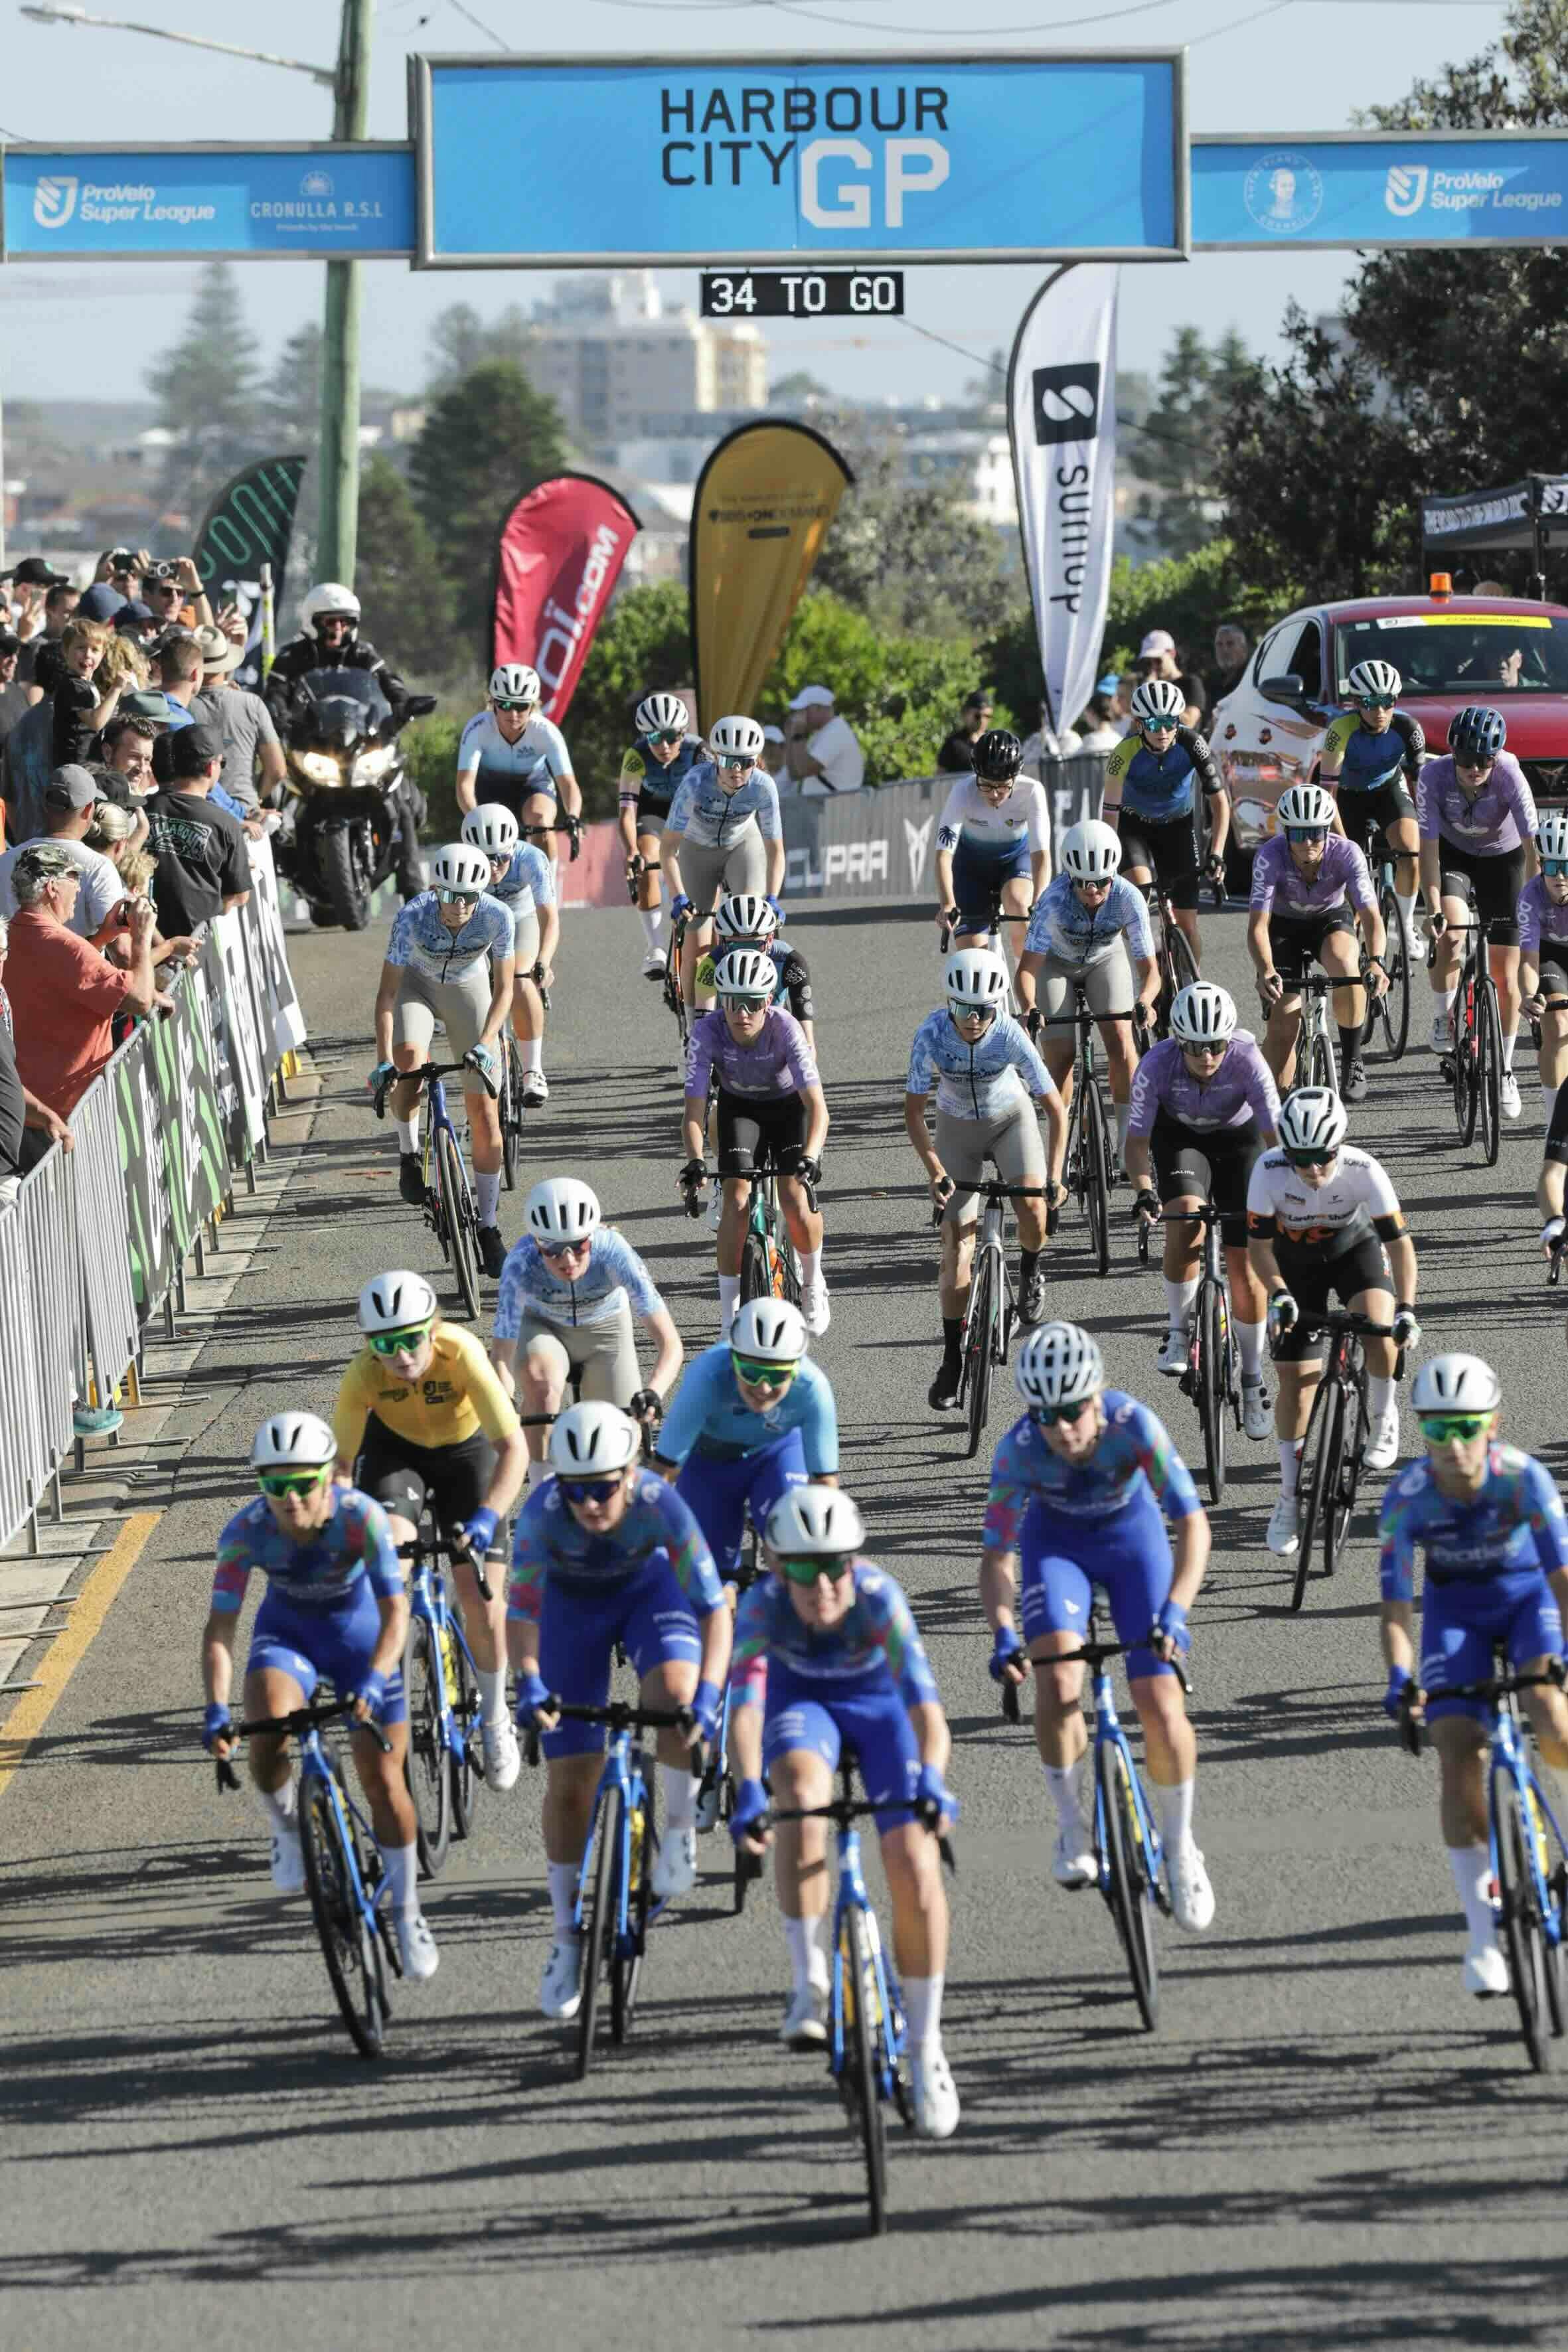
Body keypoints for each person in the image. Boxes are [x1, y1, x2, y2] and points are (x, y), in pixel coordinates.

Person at [728, 1484, 961, 2136]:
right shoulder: (762, 1605)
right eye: (802, 1567)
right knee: (800, 1798)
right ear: (777, 1567)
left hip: (880, 1711)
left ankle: (925, 2046)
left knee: (912, 1859)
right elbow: (745, 1709)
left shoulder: (881, 1599)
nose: (822, 1584)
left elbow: (926, 1713)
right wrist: (748, 1787)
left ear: (852, 1563)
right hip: (803, 1709)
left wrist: (933, 1781)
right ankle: (809, 1982)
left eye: (834, 1566)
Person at [979, 1320, 1216, 1930]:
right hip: (1057, 1548)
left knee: (1160, 1699)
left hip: (1132, 1542)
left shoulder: (1134, 1423)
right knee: (1056, 1683)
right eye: (1046, 1414)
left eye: (1073, 1410)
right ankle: (1071, 1827)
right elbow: (997, 1558)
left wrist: (1177, 1613)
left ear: (1098, 1397)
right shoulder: (1018, 1449)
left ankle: (1181, 1844)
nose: (1062, 1428)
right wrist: (1004, 1632)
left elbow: (1192, 1524)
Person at [509, 1401, 732, 2014]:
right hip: (570, 1612)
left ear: (632, 1473)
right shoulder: (542, 1512)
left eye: (604, 1487)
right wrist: (527, 1681)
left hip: (648, 1597)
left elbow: (715, 1612)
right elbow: (522, 1613)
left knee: (677, 1699)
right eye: (577, 1488)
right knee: (570, 1781)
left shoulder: (662, 1504)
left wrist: (709, 1697)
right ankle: (564, 1939)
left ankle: (682, 1830)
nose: (590, 1504)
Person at [200, 1412, 439, 1982]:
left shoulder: (363, 1519)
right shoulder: (246, 1530)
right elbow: (220, 1631)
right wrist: (214, 1708)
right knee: (265, 1730)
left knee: (383, 1780)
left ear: (329, 1478)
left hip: (364, 1640)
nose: (288, 1498)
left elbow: (395, 1614)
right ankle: (287, 1829)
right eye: (273, 1485)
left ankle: (407, 1914)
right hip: (290, 1635)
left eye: (302, 1483)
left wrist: (376, 1675)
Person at [1378, 1354, 1568, 1997]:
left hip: (1525, 1603)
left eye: (1465, 1427)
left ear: (1493, 1425)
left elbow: (1562, 1585)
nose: (1453, 1445)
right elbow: (1397, 1608)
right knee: (1457, 1749)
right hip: (1454, 1611)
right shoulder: (1406, 1497)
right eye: (1437, 1431)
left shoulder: (1524, 1481)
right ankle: (1484, 1939)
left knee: (1550, 1716)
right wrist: (1400, 1681)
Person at [333, 1269, 528, 1793]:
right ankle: (392, 1698)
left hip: (470, 1454)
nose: (400, 1355)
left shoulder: (461, 1351)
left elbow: (515, 1449)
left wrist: (487, 1518)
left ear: (433, 1328)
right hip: (399, 1455)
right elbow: (341, 1470)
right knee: (388, 1572)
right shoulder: (364, 1375)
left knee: (481, 1599)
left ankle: (493, 1717)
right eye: (385, 1344)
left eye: (411, 1338)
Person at [1249, 1087, 1420, 1553]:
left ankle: (1384, 1415)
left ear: (1339, 1146)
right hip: (1293, 1269)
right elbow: (1259, 1250)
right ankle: (1287, 1498)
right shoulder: (1267, 1171)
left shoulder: (1364, 1170)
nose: (1313, 1170)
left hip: (1353, 1253)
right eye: (1301, 1159)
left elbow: (1400, 1247)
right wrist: (1279, 1293)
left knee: (1380, 1330)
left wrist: (1406, 1308)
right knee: (1296, 1387)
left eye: (1323, 1157)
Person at [904, 947, 1066, 1403]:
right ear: (948, 1003)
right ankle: (952, 1358)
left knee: (1033, 1207)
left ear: (998, 1007)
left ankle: (1031, 1267)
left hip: (1010, 1120)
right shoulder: (932, 1034)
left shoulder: (1011, 1035)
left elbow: (1055, 1108)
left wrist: (1055, 1174)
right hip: (956, 1130)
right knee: (956, 1249)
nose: (973, 1020)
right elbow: (914, 1113)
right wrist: (934, 1168)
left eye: (983, 1011)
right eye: (962, 1009)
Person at [1125, 981, 1277, 1435]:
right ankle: (1177, 1330)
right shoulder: (1156, 1065)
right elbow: (1135, 1143)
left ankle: (1252, 1378)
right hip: (1181, 1140)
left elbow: (1276, 1140)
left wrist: (1282, 1195)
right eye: (1196, 1047)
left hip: (1240, 1143)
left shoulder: (1248, 1058)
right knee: (1186, 1218)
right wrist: (1145, 1190)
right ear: (1178, 1041)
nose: (1207, 1057)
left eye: (1216, 1046)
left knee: (1245, 1267)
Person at [370, 841, 514, 1277]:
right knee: (411, 1056)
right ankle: (410, 1151)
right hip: (417, 984)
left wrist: (487, 1042)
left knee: (485, 1113)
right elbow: (388, 994)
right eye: (451, 897)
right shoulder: (413, 915)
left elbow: (504, 989)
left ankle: (488, 1227)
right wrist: (383, 1060)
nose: (459, 908)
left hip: (469, 989)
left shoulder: (497, 916)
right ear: (436, 890)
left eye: (469, 897)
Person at [491, 1175, 684, 1488]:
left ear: (592, 1238)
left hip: (605, 1329)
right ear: (537, 1243)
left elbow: (670, 1343)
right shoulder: (520, 1264)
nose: (567, 1260)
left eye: (579, 1246)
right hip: (544, 1327)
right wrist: (505, 1403)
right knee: (541, 1391)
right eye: (552, 1249)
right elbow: (501, 1354)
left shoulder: (614, 1252)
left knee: (622, 1440)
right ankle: (545, 1491)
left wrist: (653, 1394)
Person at [682, 946, 830, 1336]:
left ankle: (814, 1282)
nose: (742, 1013)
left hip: (787, 1108)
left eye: (752, 1003)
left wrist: (811, 1157)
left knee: (794, 1195)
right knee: (734, 1198)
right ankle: (729, 1311)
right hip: (740, 1108)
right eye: (732, 1002)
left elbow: (818, 1109)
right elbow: (694, 1112)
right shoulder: (706, 1032)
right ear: (722, 1001)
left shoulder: (786, 1028)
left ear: (768, 1000)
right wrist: (696, 1159)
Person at [654, 1296, 838, 1583]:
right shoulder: (708, 1374)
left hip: (776, 1456)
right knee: (705, 1577)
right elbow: (663, 1472)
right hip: (709, 1461)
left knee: (797, 1550)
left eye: (777, 1376)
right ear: (733, 1360)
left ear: (796, 1368)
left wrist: (814, 1558)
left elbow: (825, 1486)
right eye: (751, 1373)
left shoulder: (813, 1388)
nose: (763, 1387)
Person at [1016, 818, 1158, 1180]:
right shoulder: (1052, 900)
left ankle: (1128, 1143)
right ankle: (1060, 1148)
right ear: (1070, 877)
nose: (1093, 891)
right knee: (1061, 1056)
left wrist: (1146, 1000)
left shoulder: (1129, 897)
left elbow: (1150, 970)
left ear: (1114, 875)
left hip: (1103, 960)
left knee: (1122, 1042)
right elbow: (1028, 970)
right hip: (1056, 966)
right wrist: (1030, 1008)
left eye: (1101, 883)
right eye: (1083, 883)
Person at [266, 583, 424, 897]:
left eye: (345, 622)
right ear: (313, 622)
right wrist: (277, 714)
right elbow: (274, 694)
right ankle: (266, 877)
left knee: (398, 800)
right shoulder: (291, 657)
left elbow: (389, 683)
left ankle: (414, 888)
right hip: (311, 744)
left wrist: (403, 704)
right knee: (268, 794)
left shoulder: (362, 653)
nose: (338, 628)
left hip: (359, 742)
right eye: (330, 621)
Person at [1420, 706, 1537, 1121]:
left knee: (1506, 975)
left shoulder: (1509, 774)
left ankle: (1505, 1069)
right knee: (1451, 933)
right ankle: (1441, 1016)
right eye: (1466, 760)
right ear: (1452, 755)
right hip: (1453, 858)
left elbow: (1531, 851)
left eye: (1484, 760)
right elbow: (1429, 856)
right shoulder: (1432, 778)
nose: (1474, 769)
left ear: (1497, 756)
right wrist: (1433, 908)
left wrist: (1533, 906)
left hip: (1502, 860)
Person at [1247, 781, 1387, 1103]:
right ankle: (1279, 1112)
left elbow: (1371, 917)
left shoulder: (1347, 853)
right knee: (1284, 1027)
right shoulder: (1270, 857)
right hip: (1283, 926)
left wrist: (1377, 962)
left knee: (1345, 962)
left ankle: (1352, 1059)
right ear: (1286, 833)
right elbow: (1258, 926)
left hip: (1329, 918)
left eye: (1316, 833)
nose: (1308, 842)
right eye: (1298, 834)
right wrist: (1266, 969)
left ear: (1328, 830)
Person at [6, 845, 167, 1119]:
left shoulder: (12, 932)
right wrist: (142, 935)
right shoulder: (65, 946)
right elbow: (140, 1000)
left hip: (26, 1104)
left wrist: (103, 938)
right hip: (68, 1112)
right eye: (74, 879)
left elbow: (59, 978)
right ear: (52, 888)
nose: (79, 890)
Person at [662, 718, 785, 1017]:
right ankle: (694, 1028)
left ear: (755, 761)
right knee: (698, 940)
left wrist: (772, 898)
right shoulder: (695, 782)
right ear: (716, 757)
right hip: (696, 847)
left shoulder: (764, 787)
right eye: (729, 761)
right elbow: (667, 849)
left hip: (742, 845)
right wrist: (678, 897)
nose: (737, 770)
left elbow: (775, 850)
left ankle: (755, 1012)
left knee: (750, 927)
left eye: (746, 762)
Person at [1102, 677, 1228, 965]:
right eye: (1154, 724)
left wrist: (1217, 853)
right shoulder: (1123, 753)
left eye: (1170, 723)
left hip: (1178, 828)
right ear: (1139, 723)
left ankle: (1191, 989)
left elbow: (1220, 805)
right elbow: (1110, 815)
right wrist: (1109, 870)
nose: (1164, 732)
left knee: (1188, 924)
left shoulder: (1193, 743)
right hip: (1134, 828)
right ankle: (1152, 970)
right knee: (1139, 903)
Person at [1318, 658, 1423, 950]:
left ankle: (1406, 923)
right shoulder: (1341, 730)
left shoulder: (1408, 727)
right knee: (1351, 871)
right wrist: (1340, 839)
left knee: (1411, 853)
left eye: (1387, 702)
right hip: (1347, 797)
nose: (1379, 711)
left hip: (1388, 788)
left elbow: (1423, 784)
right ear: (1356, 702)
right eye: (1370, 702)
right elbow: (1329, 793)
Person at [460, 803, 559, 1107]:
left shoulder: (531, 858)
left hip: (521, 917)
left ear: (512, 848)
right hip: (480, 921)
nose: (493, 867)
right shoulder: (460, 861)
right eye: (485, 859)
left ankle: (533, 1070)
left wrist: (543, 959)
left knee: (519, 979)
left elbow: (549, 918)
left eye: (502, 858)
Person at [933, 728, 1052, 966]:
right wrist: (947, 903)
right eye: (986, 785)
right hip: (971, 869)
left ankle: (1028, 986)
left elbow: (1041, 855)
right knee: (974, 965)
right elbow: (944, 855)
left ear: (1015, 778)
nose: (995, 793)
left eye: (1003, 786)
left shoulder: (1032, 791)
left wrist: (1040, 900)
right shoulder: (962, 792)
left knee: (1020, 904)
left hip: (1015, 862)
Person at [617, 690, 708, 979]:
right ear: (646, 737)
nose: (665, 745)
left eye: (672, 736)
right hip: (653, 812)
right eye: (655, 738)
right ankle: (655, 947)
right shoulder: (636, 755)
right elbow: (628, 812)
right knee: (646, 860)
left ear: (684, 732)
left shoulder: (699, 751)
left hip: (692, 813)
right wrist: (631, 851)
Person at [455, 663, 581, 853]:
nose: (513, 714)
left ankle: (548, 881)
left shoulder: (546, 731)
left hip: (532, 784)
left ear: (532, 707)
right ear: (493, 703)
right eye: (505, 705)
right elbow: (464, 785)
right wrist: (476, 819)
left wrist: (573, 816)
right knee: (490, 838)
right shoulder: (477, 729)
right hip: (491, 788)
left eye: (521, 706)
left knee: (542, 824)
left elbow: (568, 783)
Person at [143, 725, 252, 939]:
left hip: (144, 938)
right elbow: (239, 897)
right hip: (197, 945)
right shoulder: (226, 823)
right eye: (222, 763)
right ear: (212, 768)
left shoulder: (139, 810)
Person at [0, 911, 74, 1193]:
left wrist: (45, 1114)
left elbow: (7, 1079)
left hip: (9, 1166)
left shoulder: (1, 999)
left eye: (0, 953)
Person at [0, 766, 121, 937]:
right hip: (77, 963)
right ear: (89, 810)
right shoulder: (99, 867)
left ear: (45, 806)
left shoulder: (4, 861)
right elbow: (123, 952)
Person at [694, 893, 815, 1057]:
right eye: (735, 945)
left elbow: (807, 1042)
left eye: (755, 944)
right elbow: (703, 1029)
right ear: (721, 941)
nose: (746, 953)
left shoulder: (791, 962)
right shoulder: (710, 965)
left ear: (770, 939)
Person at [196, 625, 285, 814]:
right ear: (226, 662)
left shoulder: (180, 706)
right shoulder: (252, 704)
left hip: (197, 815)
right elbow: (277, 770)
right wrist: (255, 798)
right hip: (246, 815)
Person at [1518, 808, 1568, 1140]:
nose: (1560, 876)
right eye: (1552, 866)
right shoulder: (1530, 896)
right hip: (1549, 958)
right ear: (1540, 865)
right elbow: (1528, 961)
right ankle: (1555, 1121)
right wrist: (1530, 995)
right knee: (1559, 1021)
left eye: (1566, 867)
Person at [784, 684, 864, 797]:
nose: (799, 716)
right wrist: (790, 737)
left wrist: (798, 734)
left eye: (803, 711)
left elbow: (804, 770)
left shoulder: (836, 732)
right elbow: (794, 774)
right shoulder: (822, 733)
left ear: (818, 709)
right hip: (825, 809)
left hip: (834, 809)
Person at [1136, 629, 1207, 731]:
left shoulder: (1190, 683)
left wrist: (1154, 697)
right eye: (1148, 662)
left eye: (1157, 660)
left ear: (1172, 653)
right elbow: (1135, 728)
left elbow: (1189, 722)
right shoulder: (1147, 688)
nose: (1153, 667)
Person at [936, 690, 995, 776]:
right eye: (977, 716)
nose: (982, 721)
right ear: (966, 714)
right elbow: (939, 780)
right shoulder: (953, 744)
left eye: (987, 716)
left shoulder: (994, 742)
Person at [1207, 621, 1251, 708]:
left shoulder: (1252, 678)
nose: (1224, 650)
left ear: (1244, 648)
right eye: (1219, 644)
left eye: (1230, 644)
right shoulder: (1212, 681)